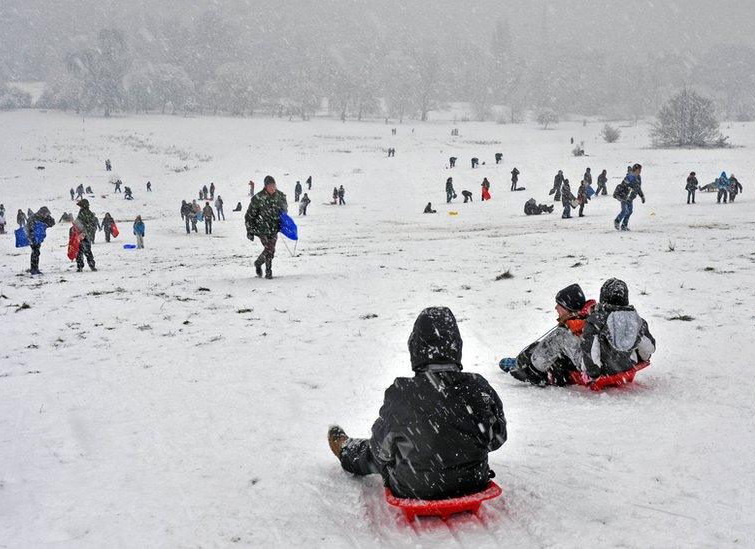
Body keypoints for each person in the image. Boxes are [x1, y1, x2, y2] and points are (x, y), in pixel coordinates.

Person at [327, 307, 506, 500]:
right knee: (399, 440)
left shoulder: (402, 392)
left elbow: (381, 451)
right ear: (456, 346)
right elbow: (497, 439)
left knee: (374, 451)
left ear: (415, 347)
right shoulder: (477, 387)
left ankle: (348, 452)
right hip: (473, 482)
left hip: (414, 488)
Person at [499, 284, 595, 386]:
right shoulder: (582, 321)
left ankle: (529, 370)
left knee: (558, 338)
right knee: (544, 345)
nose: (556, 308)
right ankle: (522, 362)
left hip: (586, 367)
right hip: (583, 361)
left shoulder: (578, 327)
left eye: (559, 305)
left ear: (567, 308)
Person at [580, 278, 656, 383]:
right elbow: (647, 349)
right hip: (628, 366)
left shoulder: (596, 320)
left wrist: (593, 374)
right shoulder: (637, 320)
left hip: (604, 371)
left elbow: (590, 349)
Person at [246, 175, 288, 279]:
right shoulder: (258, 198)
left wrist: (284, 222)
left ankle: (258, 263)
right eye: (270, 186)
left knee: (271, 250)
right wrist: (249, 230)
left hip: (274, 228)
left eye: (274, 185)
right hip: (262, 228)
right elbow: (249, 215)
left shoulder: (281, 196)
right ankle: (268, 272)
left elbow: (284, 211)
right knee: (269, 249)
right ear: (265, 186)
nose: (273, 188)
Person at [613, 164, 645, 231]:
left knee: (629, 211)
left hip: (630, 198)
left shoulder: (638, 178)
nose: (640, 171)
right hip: (625, 196)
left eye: (640, 169)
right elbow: (623, 185)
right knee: (625, 211)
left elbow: (638, 188)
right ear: (635, 169)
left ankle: (624, 225)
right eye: (639, 169)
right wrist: (622, 194)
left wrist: (642, 196)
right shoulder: (630, 176)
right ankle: (617, 221)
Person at [25, 207, 55, 275]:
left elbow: (52, 223)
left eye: (47, 214)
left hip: (38, 238)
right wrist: (33, 233)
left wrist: (47, 219)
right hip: (32, 238)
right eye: (46, 214)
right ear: (42, 213)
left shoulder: (43, 218)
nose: (46, 215)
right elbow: (29, 228)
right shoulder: (33, 218)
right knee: (35, 252)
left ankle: (35, 269)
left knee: (36, 253)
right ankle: (34, 269)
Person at [74, 199, 98, 272]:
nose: (80, 207)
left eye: (81, 206)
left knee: (84, 251)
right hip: (82, 234)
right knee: (81, 251)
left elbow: (89, 224)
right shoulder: (83, 212)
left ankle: (85, 266)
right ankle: (83, 266)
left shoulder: (86, 213)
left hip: (84, 235)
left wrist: (85, 231)